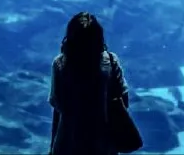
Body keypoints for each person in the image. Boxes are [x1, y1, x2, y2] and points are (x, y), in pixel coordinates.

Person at [49, 11, 129, 155]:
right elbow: (123, 100)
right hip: (103, 142)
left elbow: (57, 107)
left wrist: (52, 146)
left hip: (68, 141)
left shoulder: (60, 64)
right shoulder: (110, 61)